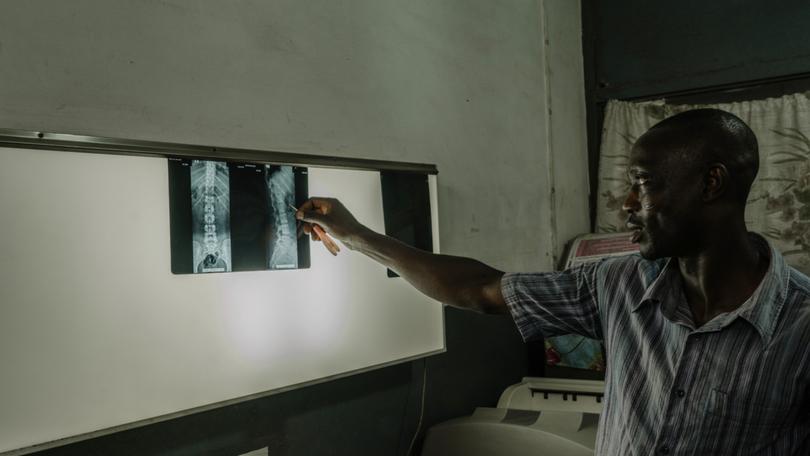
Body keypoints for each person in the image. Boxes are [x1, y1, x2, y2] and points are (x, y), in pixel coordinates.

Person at [295, 109, 810, 455]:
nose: (628, 206)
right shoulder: (619, 285)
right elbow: (478, 289)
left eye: (644, 185)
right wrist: (357, 235)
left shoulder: (801, 324)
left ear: (711, 184)